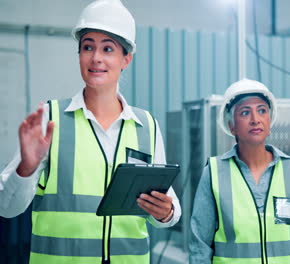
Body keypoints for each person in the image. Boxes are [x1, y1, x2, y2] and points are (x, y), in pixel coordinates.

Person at [0, 0, 180, 263]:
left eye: (108, 48)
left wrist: (165, 212)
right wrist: (26, 168)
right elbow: (7, 207)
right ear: (80, 55)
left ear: (126, 59)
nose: (96, 58)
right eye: (88, 47)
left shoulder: (147, 125)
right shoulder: (51, 119)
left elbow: (169, 211)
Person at [189, 79, 290, 264]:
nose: (255, 119)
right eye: (245, 112)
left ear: (269, 121)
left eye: (262, 110)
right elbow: (200, 247)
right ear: (232, 126)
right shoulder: (215, 172)